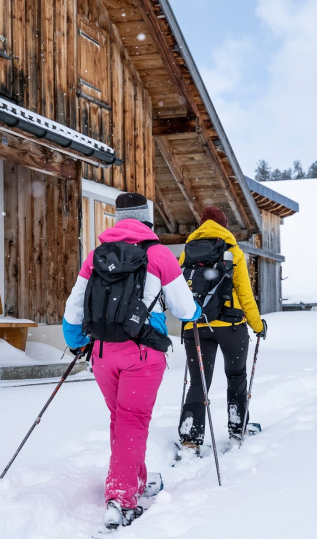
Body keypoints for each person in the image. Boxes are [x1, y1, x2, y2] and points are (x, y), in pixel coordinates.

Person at [61, 192, 201, 530]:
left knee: (122, 419)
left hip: (104, 354)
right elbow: (184, 309)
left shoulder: (96, 256)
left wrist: (78, 342)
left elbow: (73, 309)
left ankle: (135, 480)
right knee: (132, 421)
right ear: (147, 219)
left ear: (118, 219)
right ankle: (121, 499)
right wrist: (196, 312)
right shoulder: (159, 255)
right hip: (142, 354)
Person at [178, 206, 267, 452]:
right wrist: (258, 326)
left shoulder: (187, 252)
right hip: (231, 326)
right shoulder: (233, 252)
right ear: (224, 226)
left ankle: (190, 438)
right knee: (236, 377)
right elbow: (245, 295)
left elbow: (180, 290)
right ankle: (237, 430)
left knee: (198, 381)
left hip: (197, 327)